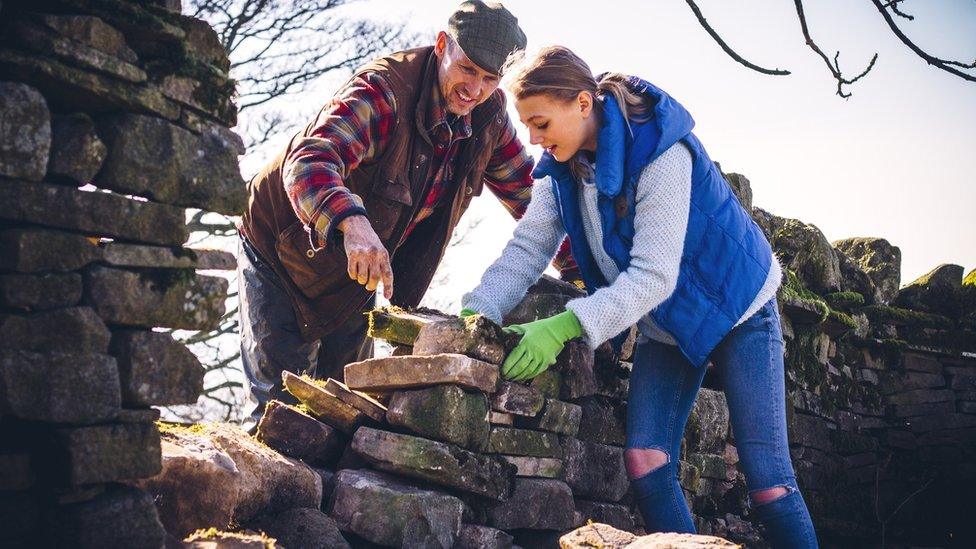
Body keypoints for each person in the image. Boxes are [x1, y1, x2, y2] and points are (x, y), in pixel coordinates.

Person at [460, 46, 818, 547]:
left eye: (540, 123)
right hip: (666, 323)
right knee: (645, 461)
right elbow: (528, 247)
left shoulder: (660, 152)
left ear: (582, 104)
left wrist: (564, 325)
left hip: (739, 310)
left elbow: (653, 276)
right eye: (527, 126)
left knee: (769, 484)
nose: (534, 139)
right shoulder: (557, 168)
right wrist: (477, 315)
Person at [236, 1, 572, 431]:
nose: (476, 88)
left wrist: (582, 273)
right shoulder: (384, 91)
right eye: (467, 69)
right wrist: (351, 222)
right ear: (441, 46)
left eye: (490, 79)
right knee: (280, 416)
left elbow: (534, 201)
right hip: (281, 251)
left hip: (356, 274)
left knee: (343, 416)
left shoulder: (488, 118)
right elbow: (309, 161)